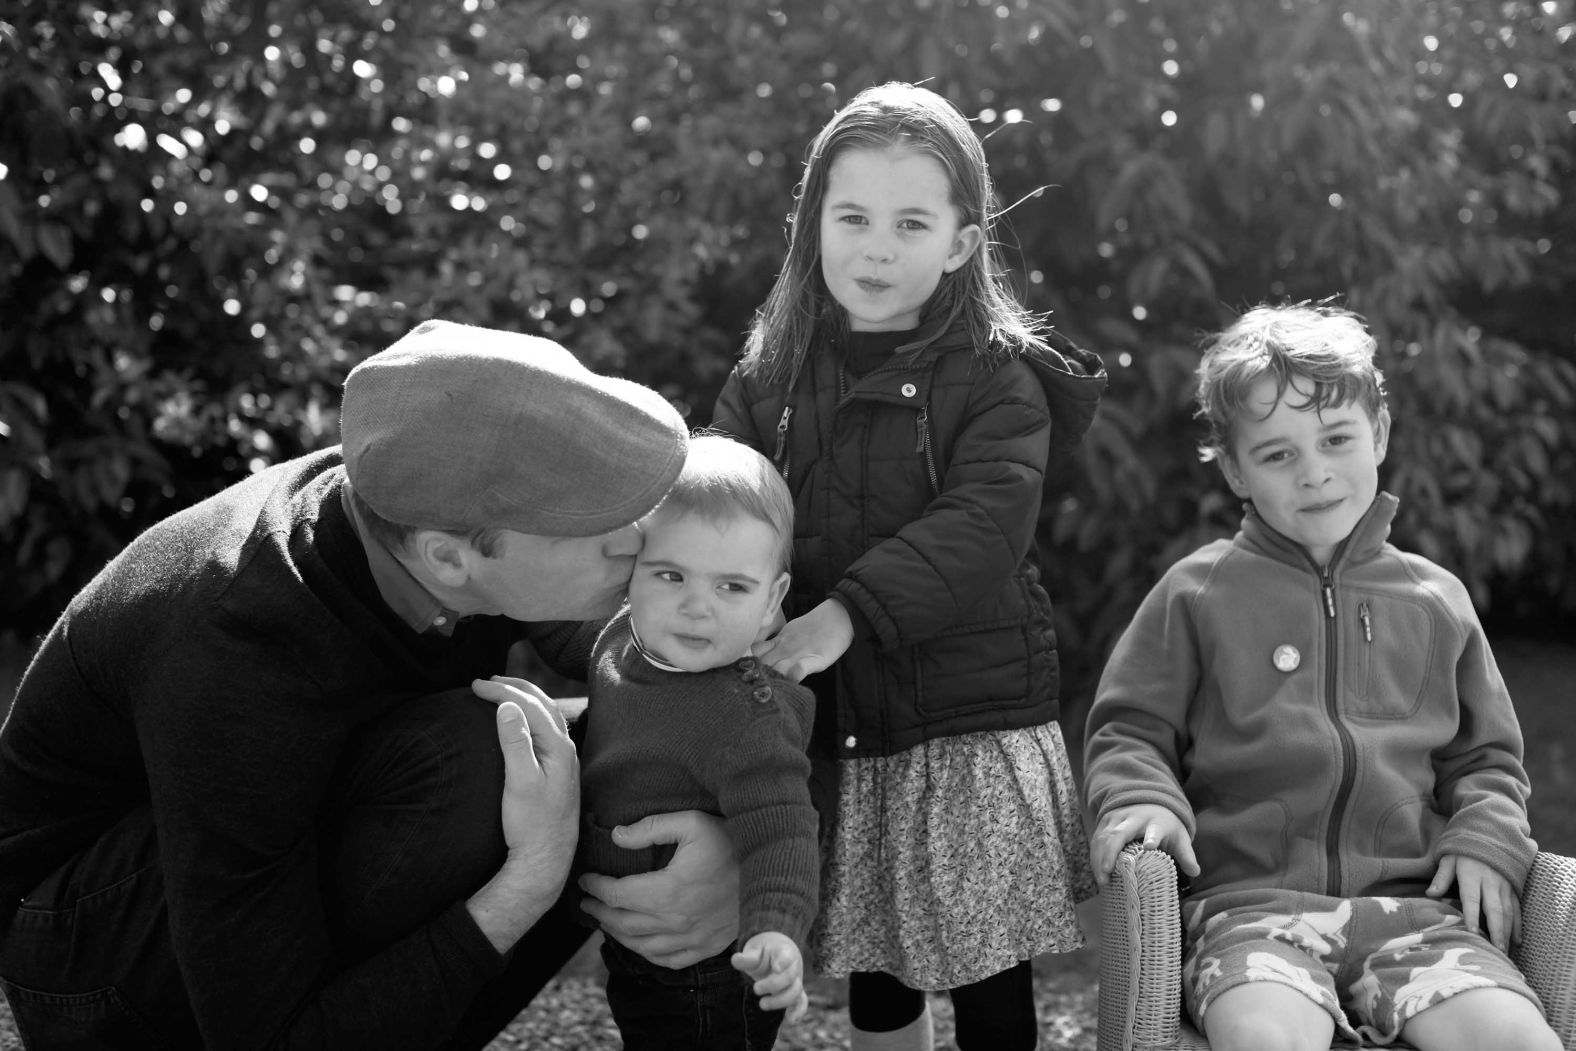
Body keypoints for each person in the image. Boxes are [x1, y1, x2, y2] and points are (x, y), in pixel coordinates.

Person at [0, 319, 744, 1050]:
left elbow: (682, 677)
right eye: (597, 522)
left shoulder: (430, 490)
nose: (637, 537)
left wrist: (728, 842)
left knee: (644, 746)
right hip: (89, 961)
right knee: (492, 760)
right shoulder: (236, 646)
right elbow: (265, 1035)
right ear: (449, 559)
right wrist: (533, 878)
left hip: (255, 857)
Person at [710, 82, 1106, 1051]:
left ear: (961, 242)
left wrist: (840, 615)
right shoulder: (772, 375)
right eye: (851, 216)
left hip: (966, 721)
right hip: (843, 719)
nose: (876, 245)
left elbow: (981, 522)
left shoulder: (995, 374)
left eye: (909, 221)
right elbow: (718, 501)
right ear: (813, 224)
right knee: (878, 957)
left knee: (983, 961)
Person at [1083, 302, 1563, 1051]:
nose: (1315, 473)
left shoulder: (1437, 600)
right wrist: (1144, 797)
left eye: (1336, 438)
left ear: (1378, 434)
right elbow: (1129, 727)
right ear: (1237, 470)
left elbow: (1486, 760)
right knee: (1266, 1036)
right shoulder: (1197, 592)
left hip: (1419, 918)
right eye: (1277, 455)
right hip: (1251, 914)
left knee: (1521, 1041)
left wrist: (1485, 836)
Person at [576, 432, 818, 1050]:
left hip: (713, 969)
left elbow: (783, 828)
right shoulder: (619, 645)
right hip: (636, 939)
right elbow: (619, 730)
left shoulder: (745, 717)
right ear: (632, 570)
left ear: (773, 604)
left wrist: (775, 933)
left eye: (731, 587)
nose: (695, 607)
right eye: (670, 575)